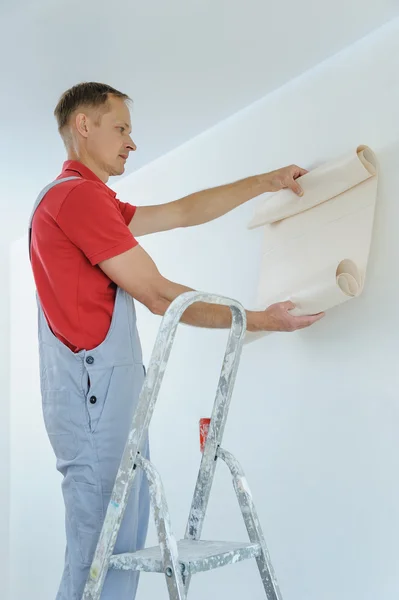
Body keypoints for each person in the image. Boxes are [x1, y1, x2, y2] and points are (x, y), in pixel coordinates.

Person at [28, 81, 324, 599]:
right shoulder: (73, 198)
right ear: (84, 126)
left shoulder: (92, 200)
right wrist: (258, 320)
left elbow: (184, 212)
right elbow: (160, 294)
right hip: (93, 402)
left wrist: (265, 180)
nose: (131, 142)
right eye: (120, 128)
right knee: (101, 559)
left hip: (108, 400)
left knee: (113, 553)